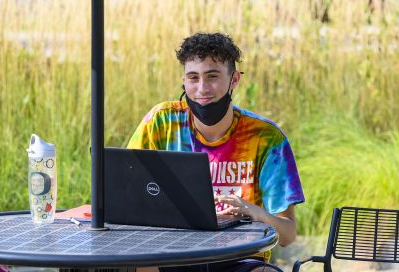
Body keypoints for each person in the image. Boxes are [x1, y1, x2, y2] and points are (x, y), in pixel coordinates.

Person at [128, 32, 305, 272]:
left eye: (212, 76)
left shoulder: (266, 138)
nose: (202, 88)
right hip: (172, 255)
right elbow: (126, 194)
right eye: (193, 77)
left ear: (234, 80)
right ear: (184, 81)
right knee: (140, 265)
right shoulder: (161, 123)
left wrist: (254, 212)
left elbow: (287, 235)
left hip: (241, 259)